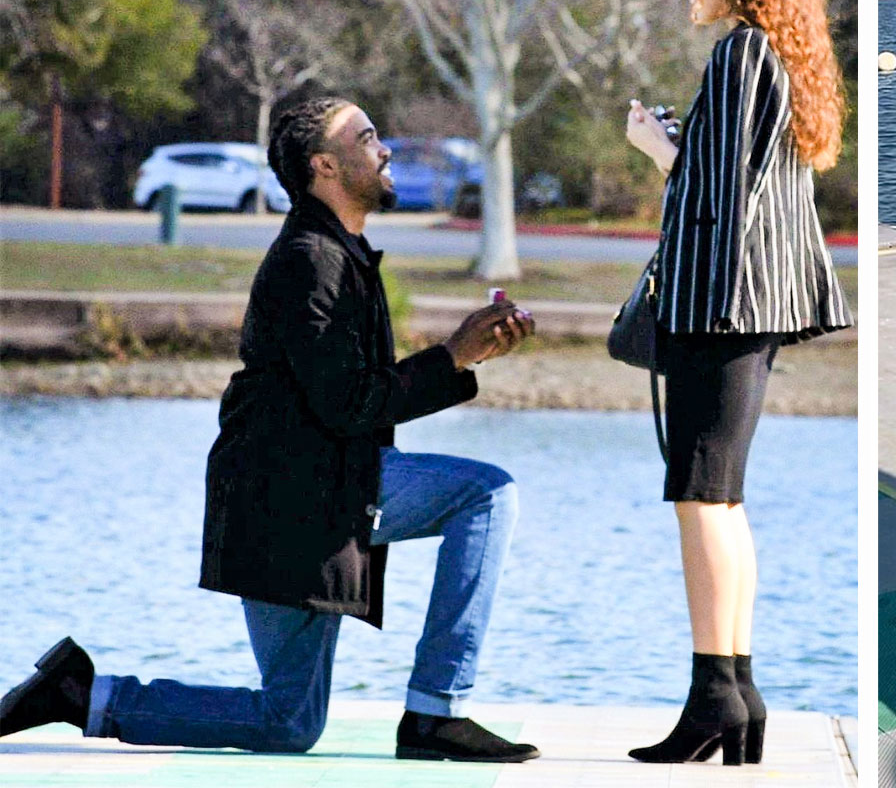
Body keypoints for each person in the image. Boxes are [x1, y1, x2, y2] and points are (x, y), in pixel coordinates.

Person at [0, 97, 540, 763]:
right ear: (326, 166)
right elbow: (347, 404)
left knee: (288, 723)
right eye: (368, 138)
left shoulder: (335, 254)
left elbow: (347, 398)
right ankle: (437, 710)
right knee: (486, 493)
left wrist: (464, 358)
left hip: (292, 501)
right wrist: (451, 358)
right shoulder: (310, 259)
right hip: (296, 499)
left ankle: (85, 697)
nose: (385, 149)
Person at [622, 0, 851, 766]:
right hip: (748, 311)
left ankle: (716, 694)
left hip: (718, 310)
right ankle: (735, 692)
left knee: (701, 497)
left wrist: (656, 151)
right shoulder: (774, 53)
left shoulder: (739, 55)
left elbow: (715, 200)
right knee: (720, 497)